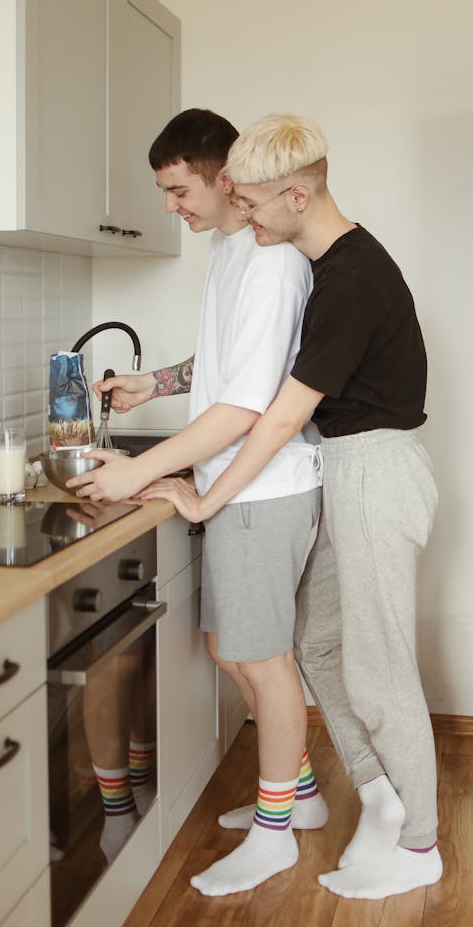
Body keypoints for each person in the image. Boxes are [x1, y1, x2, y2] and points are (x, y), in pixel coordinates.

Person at [153, 114, 442, 901]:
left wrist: (208, 494)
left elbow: (277, 413)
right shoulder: (331, 263)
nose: (241, 218)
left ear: (296, 192)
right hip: (346, 465)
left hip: (375, 470)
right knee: (318, 647)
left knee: (378, 665)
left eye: (250, 205)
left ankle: (420, 842)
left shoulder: (350, 277)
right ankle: (379, 794)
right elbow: (271, 382)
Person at [67, 108, 327, 896]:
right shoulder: (227, 251)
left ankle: (278, 832)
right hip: (232, 483)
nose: (171, 205)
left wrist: (130, 475)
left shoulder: (271, 260)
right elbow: (223, 366)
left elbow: (246, 407)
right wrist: (159, 382)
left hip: (263, 485)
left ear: (222, 177)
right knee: (232, 650)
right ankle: (301, 795)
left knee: (262, 659)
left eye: (178, 188)